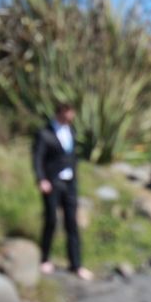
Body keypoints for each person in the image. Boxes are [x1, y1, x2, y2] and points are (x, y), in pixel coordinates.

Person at [33, 102, 94, 281]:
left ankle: (76, 265)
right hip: (52, 181)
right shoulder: (44, 133)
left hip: (70, 183)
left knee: (72, 223)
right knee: (51, 220)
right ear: (58, 113)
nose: (68, 117)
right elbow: (37, 158)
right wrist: (41, 179)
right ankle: (44, 259)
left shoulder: (72, 131)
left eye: (70, 114)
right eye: (65, 114)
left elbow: (72, 155)